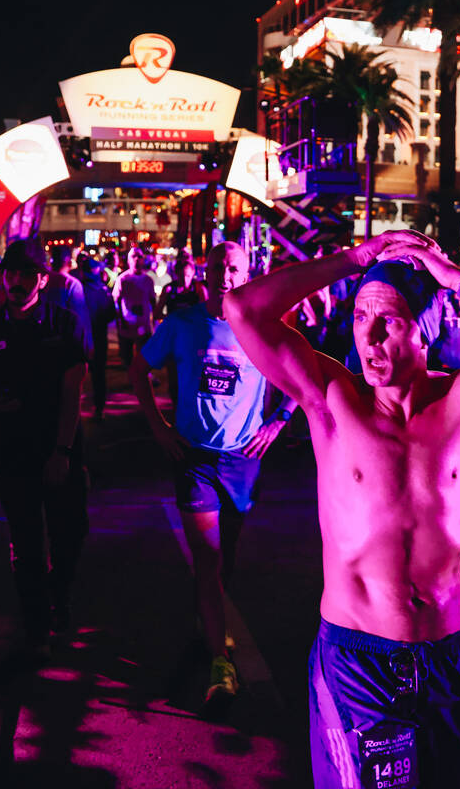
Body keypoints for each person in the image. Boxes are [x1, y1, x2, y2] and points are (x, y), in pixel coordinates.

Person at [223, 230, 460, 788]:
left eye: (389, 320)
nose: (367, 335)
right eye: (360, 316)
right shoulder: (332, 399)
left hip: (449, 659)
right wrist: (356, 258)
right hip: (358, 666)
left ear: (426, 330)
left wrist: (457, 279)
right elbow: (243, 308)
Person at [129, 241, 297, 712]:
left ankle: (211, 615)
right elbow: (140, 367)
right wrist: (158, 426)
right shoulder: (182, 324)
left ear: (248, 273)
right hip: (195, 459)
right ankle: (219, 661)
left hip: (243, 460)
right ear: (206, 270)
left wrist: (278, 421)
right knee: (208, 559)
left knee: (228, 557)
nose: (227, 274)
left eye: (235, 267)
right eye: (220, 266)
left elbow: (301, 378)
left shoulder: (262, 328)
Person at [0, 241, 90, 661]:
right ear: (2, 276)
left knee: (69, 536)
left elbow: (74, 392)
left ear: (43, 278)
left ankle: (61, 595)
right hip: (11, 452)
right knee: (26, 542)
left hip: (61, 447)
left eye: (27, 273)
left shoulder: (66, 323)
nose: (18, 281)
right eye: (11, 273)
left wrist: (62, 450)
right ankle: (37, 626)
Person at [78, 255, 118, 420]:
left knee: (77, 373)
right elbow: (111, 314)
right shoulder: (103, 290)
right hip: (99, 337)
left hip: (80, 337)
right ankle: (99, 407)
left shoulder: (78, 289)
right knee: (98, 375)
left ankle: (74, 407)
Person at [114, 247, 157, 369]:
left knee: (144, 356)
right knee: (127, 358)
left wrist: (153, 321)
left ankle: (145, 379)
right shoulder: (122, 279)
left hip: (143, 325)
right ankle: (132, 381)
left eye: (139, 256)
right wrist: (121, 320)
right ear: (128, 260)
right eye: (134, 256)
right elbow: (116, 301)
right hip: (127, 325)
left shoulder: (148, 280)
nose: (137, 259)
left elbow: (152, 301)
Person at [47, 244, 94, 355]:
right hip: (66, 341)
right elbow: (80, 316)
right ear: (69, 262)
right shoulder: (71, 284)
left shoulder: (42, 281)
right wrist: (88, 345)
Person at [155, 254, 204, 319]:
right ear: (176, 273)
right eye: (181, 276)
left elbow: (206, 313)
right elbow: (157, 314)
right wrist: (173, 319)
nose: (185, 280)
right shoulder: (169, 289)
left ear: (193, 273)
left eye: (187, 276)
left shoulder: (199, 289)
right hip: (174, 328)